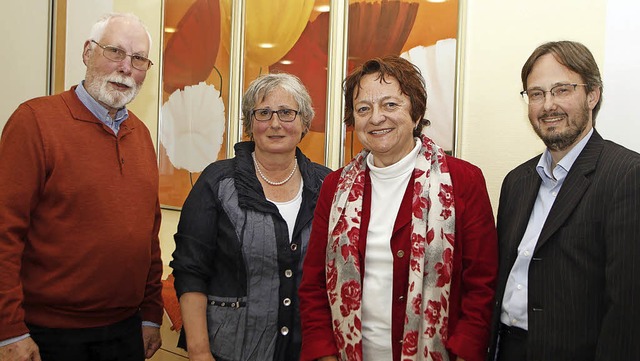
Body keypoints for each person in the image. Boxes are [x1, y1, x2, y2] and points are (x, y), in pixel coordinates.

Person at [299, 55, 498, 361]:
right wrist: (324, 355)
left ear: (416, 113)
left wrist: (464, 353)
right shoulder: (335, 187)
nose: (376, 118)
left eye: (390, 105)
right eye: (363, 108)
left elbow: (481, 283)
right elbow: (313, 284)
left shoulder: (463, 180)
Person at [0, 12, 163, 361]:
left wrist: (151, 315)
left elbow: (149, 235)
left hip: (124, 331)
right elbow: (4, 234)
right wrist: (9, 330)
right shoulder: (34, 123)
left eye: (138, 59)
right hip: (47, 336)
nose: (125, 68)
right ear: (88, 52)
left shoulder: (142, 136)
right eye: (115, 52)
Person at [488, 40, 640, 361]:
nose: (547, 105)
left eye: (561, 90)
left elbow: (627, 306)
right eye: (537, 93)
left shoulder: (627, 174)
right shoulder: (516, 181)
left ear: (593, 94)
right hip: (506, 349)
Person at [170, 73, 331, 361]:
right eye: (263, 113)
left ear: (305, 122)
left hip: (306, 351)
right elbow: (190, 270)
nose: (275, 123)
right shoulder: (217, 182)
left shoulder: (327, 185)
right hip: (229, 351)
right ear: (249, 123)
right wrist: (200, 352)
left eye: (286, 112)